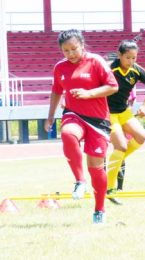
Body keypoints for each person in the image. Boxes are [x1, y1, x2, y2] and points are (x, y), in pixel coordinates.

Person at [44, 29, 118, 223]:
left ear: (82, 45)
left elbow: (113, 86)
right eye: (66, 50)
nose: (70, 54)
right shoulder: (60, 67)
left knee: (96, 167)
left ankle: (99, 210)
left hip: (98, 120)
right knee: (67, 134)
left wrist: (89, 93)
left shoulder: (96, 61)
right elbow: (56, 91)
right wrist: (50, 116)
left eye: (74, 49)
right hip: (73, 114)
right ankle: (79, 181)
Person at [105, 40, 145, 205]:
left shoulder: (136, 69)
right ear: (119, 55)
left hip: (124, 111)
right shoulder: (109, 69)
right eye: (128, 57)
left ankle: (114, 162)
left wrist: (144, 105)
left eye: (134, 57)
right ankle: (109, 188)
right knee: (121, 146)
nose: (131, 61)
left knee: (141, 137)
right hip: (108, 113)